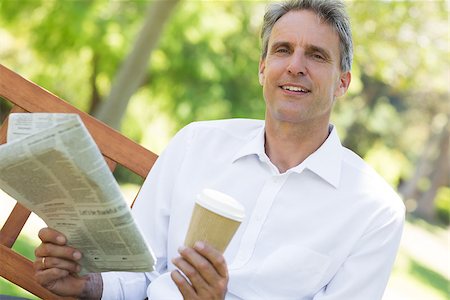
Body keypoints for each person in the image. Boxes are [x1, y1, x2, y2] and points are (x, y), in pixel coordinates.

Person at [33, 0, 405, 299]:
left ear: (342, 83)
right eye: (283, 50)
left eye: (317, 55)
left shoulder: (374, 210)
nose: (295, 66)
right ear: (263, 69)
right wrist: (88, 285)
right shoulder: (197, 143)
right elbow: (141, 271)